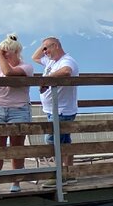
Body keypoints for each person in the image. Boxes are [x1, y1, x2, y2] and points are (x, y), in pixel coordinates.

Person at [0, 34, 34, 194]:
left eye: (7, 52)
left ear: (16, 52)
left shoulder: (26, 68)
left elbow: (9, 72)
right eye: (2, 52)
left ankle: (16, 181)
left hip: (18, 110)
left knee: (16, 148)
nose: (4, 55)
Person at [31, 36, 79, 188]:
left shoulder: (67, 60)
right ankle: (68, 174)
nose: (45, 52)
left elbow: (66, 72)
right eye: (44, 49)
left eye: (48, 48)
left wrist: (46, 80)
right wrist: (44, 45)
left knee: (52, 142)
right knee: (65, 142)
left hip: (62, 110)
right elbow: (35, 57)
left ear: (56, 46)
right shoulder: (50, 60)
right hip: (53, 109)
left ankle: (57, 175)